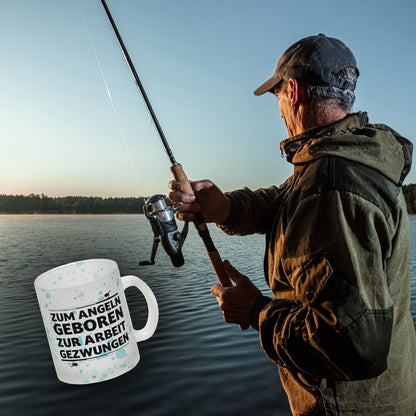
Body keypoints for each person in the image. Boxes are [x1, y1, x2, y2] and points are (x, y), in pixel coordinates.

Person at [168, 34, 416, 416]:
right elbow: (282, 202)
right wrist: (224, 207)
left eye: (278, 97)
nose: (280, 110)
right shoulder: (340, 160)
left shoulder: (333, 183)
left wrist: (255, 311)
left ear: (294, 91)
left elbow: (353, 345)